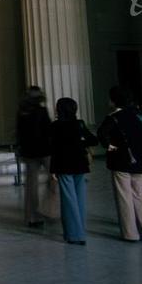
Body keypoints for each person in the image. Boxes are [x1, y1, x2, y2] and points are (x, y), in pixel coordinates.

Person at [97, 86, 142, 242]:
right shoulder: (138, 117)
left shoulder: (113, 118)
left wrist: (112, 148)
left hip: (121, 162)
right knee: (139, 196)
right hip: (138, 162)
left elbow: (101, 135)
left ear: (114, 100)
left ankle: (130, 234)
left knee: (124, 197)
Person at [49, 97, 98, 245]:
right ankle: (80, 230)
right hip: (80, 164)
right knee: (80, 198)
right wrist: (80, 141)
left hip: (64, 165)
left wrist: (52, 169)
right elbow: (93, 140)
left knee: (68, 200)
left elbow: (53, 149)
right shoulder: (79, 124)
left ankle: (75, 234)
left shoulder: (55, 126)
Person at [16, 85, 52, 227]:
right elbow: (48, 130)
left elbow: (19, 132)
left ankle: (32, 217)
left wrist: (21, 148)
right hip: (44, 150)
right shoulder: (41, 111)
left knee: (31, 185)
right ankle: (50, 210)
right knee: (55, 179)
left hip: (29, 151)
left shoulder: (21, 112)